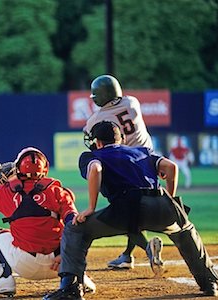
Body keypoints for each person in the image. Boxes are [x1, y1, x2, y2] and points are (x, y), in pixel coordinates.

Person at [43, 121, 218, 299]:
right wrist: (170, 200)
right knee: (185, 230)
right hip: (161, 202)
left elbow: (95, 169)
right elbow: (171, 167)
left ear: (97, 142)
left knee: (76, 230)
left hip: (127, 208)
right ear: (121, 139)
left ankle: (70, 288)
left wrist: (91, 208)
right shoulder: (142, 151)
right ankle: (209, 282)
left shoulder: (92, 155)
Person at [0, 147, 95, 296]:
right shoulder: (57, 191)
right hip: (61, 264)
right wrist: (67, 254)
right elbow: (74, 224)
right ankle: (78, 278)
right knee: (75, 232)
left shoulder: (7, 191)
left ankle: (3, 280)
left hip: (25, 265)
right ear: (45, 168)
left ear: (19, 167)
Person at [83, 74, 154, 270]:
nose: (94, 98)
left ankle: (147, 249)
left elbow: (92, 138)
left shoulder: (97, 119)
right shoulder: (133, 102)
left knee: (124, 213)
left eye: (96, 95)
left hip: (123, 168)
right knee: (135, 212)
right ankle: (127, 255)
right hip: (148, 162)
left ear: (103, 95)